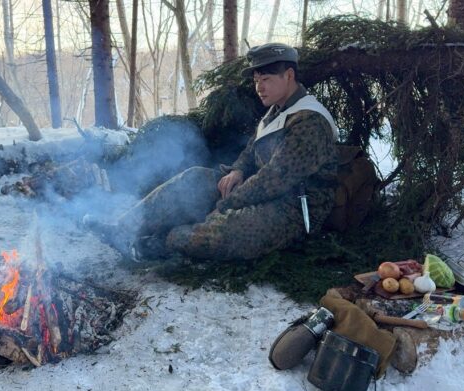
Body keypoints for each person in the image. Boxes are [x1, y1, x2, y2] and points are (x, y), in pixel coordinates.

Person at [86, 43, 338, 261]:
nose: (259, 87)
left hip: (294, 209)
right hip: (263, 192)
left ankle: (159, 243)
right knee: (194, 179)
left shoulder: (309, 120)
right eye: (256, 80)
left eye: (267, 79)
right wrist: (238, 170)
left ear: (289, 75)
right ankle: (122, 229)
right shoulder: (277, 110)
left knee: (229, 230)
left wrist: (227, 203)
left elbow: (275, 178)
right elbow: (251, 151)